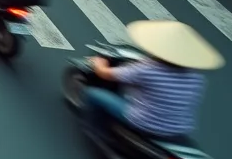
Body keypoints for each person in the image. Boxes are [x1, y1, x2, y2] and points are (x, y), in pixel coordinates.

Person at [82, 19, 220, 139]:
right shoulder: (197, 77)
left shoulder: (147, 69)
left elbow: (105, 74)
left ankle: (96, 132)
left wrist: (99, 63)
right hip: (179, 129)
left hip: (144, 122)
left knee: (94, 94)